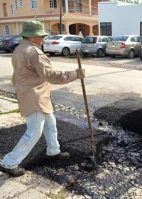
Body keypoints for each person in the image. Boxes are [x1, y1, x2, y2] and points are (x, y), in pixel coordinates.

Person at [0, 21, 85, 177]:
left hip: (31, 93)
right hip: (35, 96)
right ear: (32, 36)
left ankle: (53, 151)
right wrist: (76, 74)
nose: (43, 39)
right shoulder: (34, 52)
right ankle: (9, 162)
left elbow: (18, 74)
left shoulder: (19, 49)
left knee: (50, 124)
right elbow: (51, 75)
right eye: (41, 36)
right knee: (34, 132)